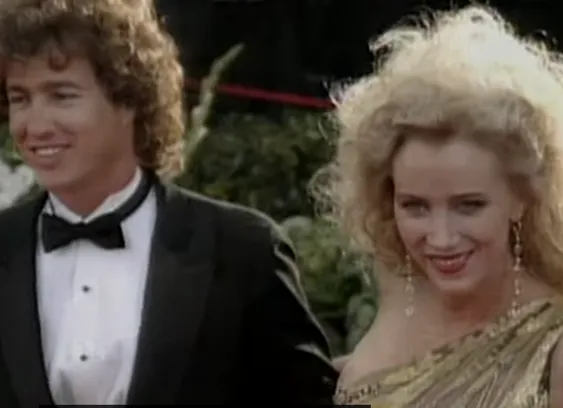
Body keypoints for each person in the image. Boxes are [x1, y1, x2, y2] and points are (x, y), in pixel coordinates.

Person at [312, 5, 563, 408]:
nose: (440, 238)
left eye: (469, 206)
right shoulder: (401, 288)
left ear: (522, 198)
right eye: (415, 207)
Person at [0, 0, 337, 407]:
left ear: (129, 100)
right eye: (20, 99)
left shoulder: (242, 251)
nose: (35, 126)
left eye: (62, 96)